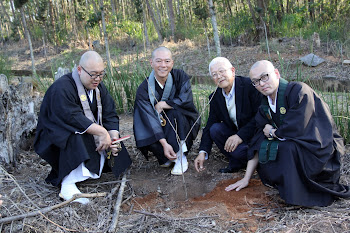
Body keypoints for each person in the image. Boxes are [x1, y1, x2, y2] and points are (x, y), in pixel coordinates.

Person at [225, 60, 350, 207]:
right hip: (297, 151)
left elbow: (297, 128)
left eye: (265, 77)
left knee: (286, 147)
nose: (262, 84)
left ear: (276, 74)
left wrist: (273, 132)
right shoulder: (265, 105)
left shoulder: (299, 91)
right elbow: (257, 142)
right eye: (256, 81)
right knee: (265, 144)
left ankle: (299, 194)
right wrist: (246, 178)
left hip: (321, 151)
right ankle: (287, 185)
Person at [34, 51, 132, 204]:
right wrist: (101, 132)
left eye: (101, 74)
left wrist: (113, 136)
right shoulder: (62, 88)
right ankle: (67, 184)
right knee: (77, 134)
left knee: (116, 148)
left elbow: (110, 113)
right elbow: (71, 117)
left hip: (83, 128)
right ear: (80, 70)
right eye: (93, 74)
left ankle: (88, 171)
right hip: (55, 136)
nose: (97, 79)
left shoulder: (99, 88)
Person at [133, 47, 200, 175]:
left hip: (180, 125)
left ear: (172, 63)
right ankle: (166, 154)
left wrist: (165, 104)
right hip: (157, 130)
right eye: (158, 61)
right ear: (151, 63)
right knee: (145, 129)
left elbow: (186, 100)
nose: (163, 65)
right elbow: (148, 118)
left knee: (175, 113)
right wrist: (164, 143)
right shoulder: (144, 88)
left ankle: (181, 157)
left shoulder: (180, 76)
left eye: (167, 61)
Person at [194, 57, 261, 173]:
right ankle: (240, 158)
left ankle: (251, 157)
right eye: (214, 74)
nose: (219, 76)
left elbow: (260, 116)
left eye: (222, 71)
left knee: (246, 151)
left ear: (233, 71)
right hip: (237, 137)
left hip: (254, 134)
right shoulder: (215, 97)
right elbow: (210, 124)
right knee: (215, 129)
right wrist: (202, 152)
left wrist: (240, 136)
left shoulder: (249, 86)